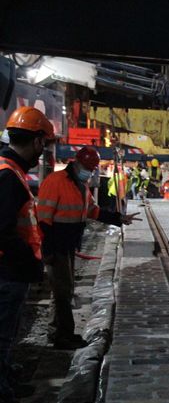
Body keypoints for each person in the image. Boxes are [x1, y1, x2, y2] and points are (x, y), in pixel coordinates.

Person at [38, 147, 138, 350]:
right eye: (88, 168)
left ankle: (56, 330)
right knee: (63, 291)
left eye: (92, 169)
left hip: (68, 245)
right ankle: (63, 335)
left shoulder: (80, 185)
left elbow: (93, 211)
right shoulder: (56, 182)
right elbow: (43, 219)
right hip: (56, 245)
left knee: (62, 290)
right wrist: (47, 250)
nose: (90, 172)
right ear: (76, 164)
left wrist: (118, 218)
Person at [0, 107, 54, 403]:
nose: (44, 152)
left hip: (10, 273)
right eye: (43, 144)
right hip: (8, 275)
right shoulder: (9, 177)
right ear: (36, 141)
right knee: (2, 341)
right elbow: (5, 231)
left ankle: (7, 394)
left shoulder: (9, 171)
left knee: (6, 342)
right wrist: (30, 262)